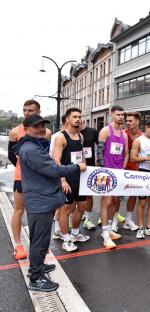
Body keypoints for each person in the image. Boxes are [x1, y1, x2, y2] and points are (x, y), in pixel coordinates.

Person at [16, 114, 86, 292]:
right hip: (39, 200)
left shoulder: (33, 144)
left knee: (41, 238)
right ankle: (36, 278)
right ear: (26, 129)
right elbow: (54, 169)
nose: (40, 129)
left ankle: (38, 267)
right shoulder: (31, 149)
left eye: (42, 126)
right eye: (36, 126)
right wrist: (77, 167)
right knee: (39, 241)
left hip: (42, 198)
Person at [8, 99, 51, 260]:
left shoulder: (46, 133)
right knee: (19, 210)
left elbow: (47, 156)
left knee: (38, 212)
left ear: (38, 112)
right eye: (25, 110)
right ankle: (18, 245)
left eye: (30, 111)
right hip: (21, 178)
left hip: (41, 179)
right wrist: (24, 168)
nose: (26, 113)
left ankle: (37, 245)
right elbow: (13, 157)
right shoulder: (15, 132)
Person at [52, 108, 89, 252]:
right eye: (75, 117)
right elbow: (56, 160)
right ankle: (66, 239)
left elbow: (81, 156)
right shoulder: (61, 137)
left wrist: (85, 167)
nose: (78, 119)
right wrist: (62, 180)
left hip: (79, 178)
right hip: (66, 179)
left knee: (82, 206)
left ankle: (74, 233)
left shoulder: (80, 136)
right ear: (67, 119)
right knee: (66, 209)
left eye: (79, 117)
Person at [97, 105, 129, 249]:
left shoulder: (124, 134)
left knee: (115, 201)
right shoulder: (105, 131)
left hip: (119, 172)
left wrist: (123, 169)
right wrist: (105, 171)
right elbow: (99, 152)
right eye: (118, 114)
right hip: (106, 173)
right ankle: (105, 234)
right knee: (106, 201)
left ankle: (109, 228)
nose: (121, 117)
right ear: (111, 115)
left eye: (122, 114)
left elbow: (126, 153)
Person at [121, 112, 143, 232]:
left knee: (133, 195)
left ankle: (128, 220)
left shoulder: (143, 136)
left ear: (138, 121)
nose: (128, 123)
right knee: (116, 196)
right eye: (127, 121)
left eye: (130, 121)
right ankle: (113, 221)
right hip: (122, 167)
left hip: (135, 168)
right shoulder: (122, 134)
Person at [79, 119, 98, 230]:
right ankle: (72, 220)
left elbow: (100, 146)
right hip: (74, 167)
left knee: (89, 194)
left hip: (89, 167)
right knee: (75, 197)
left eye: (79, 117)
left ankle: (88, 219)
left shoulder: (92, 131)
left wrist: (99, 161)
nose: (77, 120)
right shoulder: (70, 133)